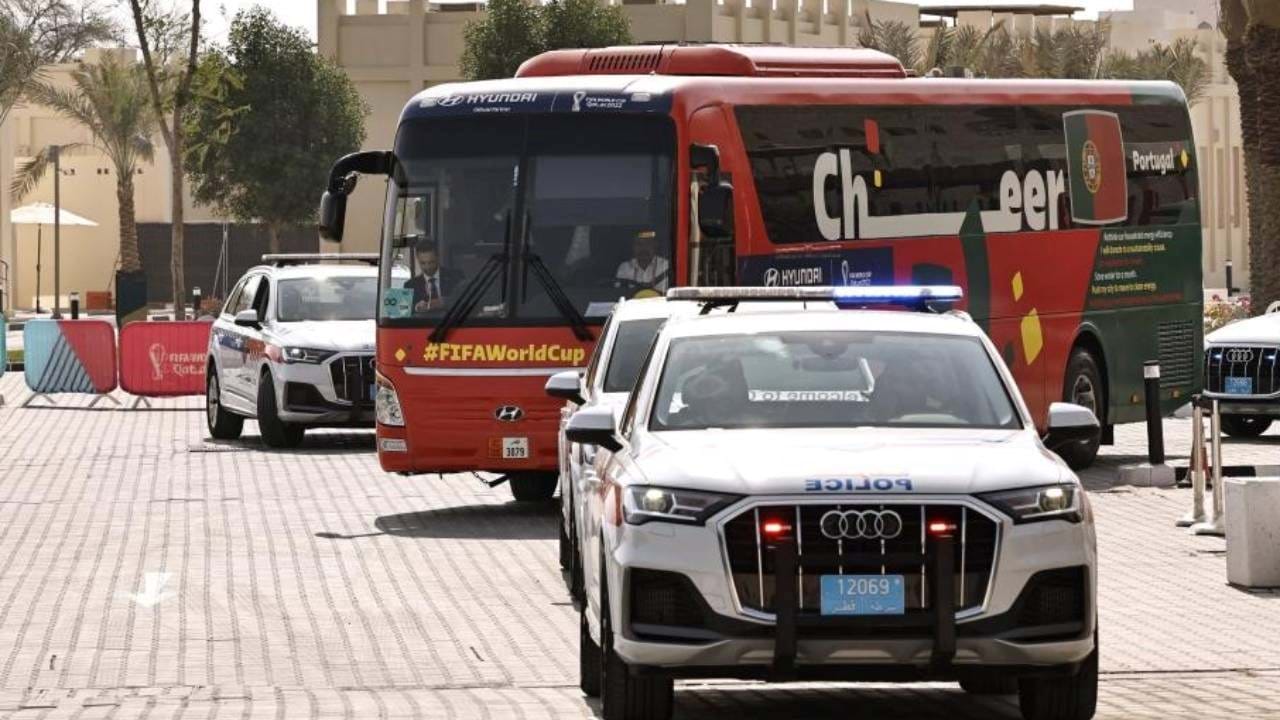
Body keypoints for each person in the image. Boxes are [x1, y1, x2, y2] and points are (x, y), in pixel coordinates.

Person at [404, 239, 453, 313]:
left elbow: (465, 301)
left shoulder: (455, 277)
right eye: (423, 263)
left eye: (431, 262)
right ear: (417, 259)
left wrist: (444, 302)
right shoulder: (410, 285)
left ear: (438, 257)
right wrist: (417, 307)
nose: (427, 267)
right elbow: (402, 311)